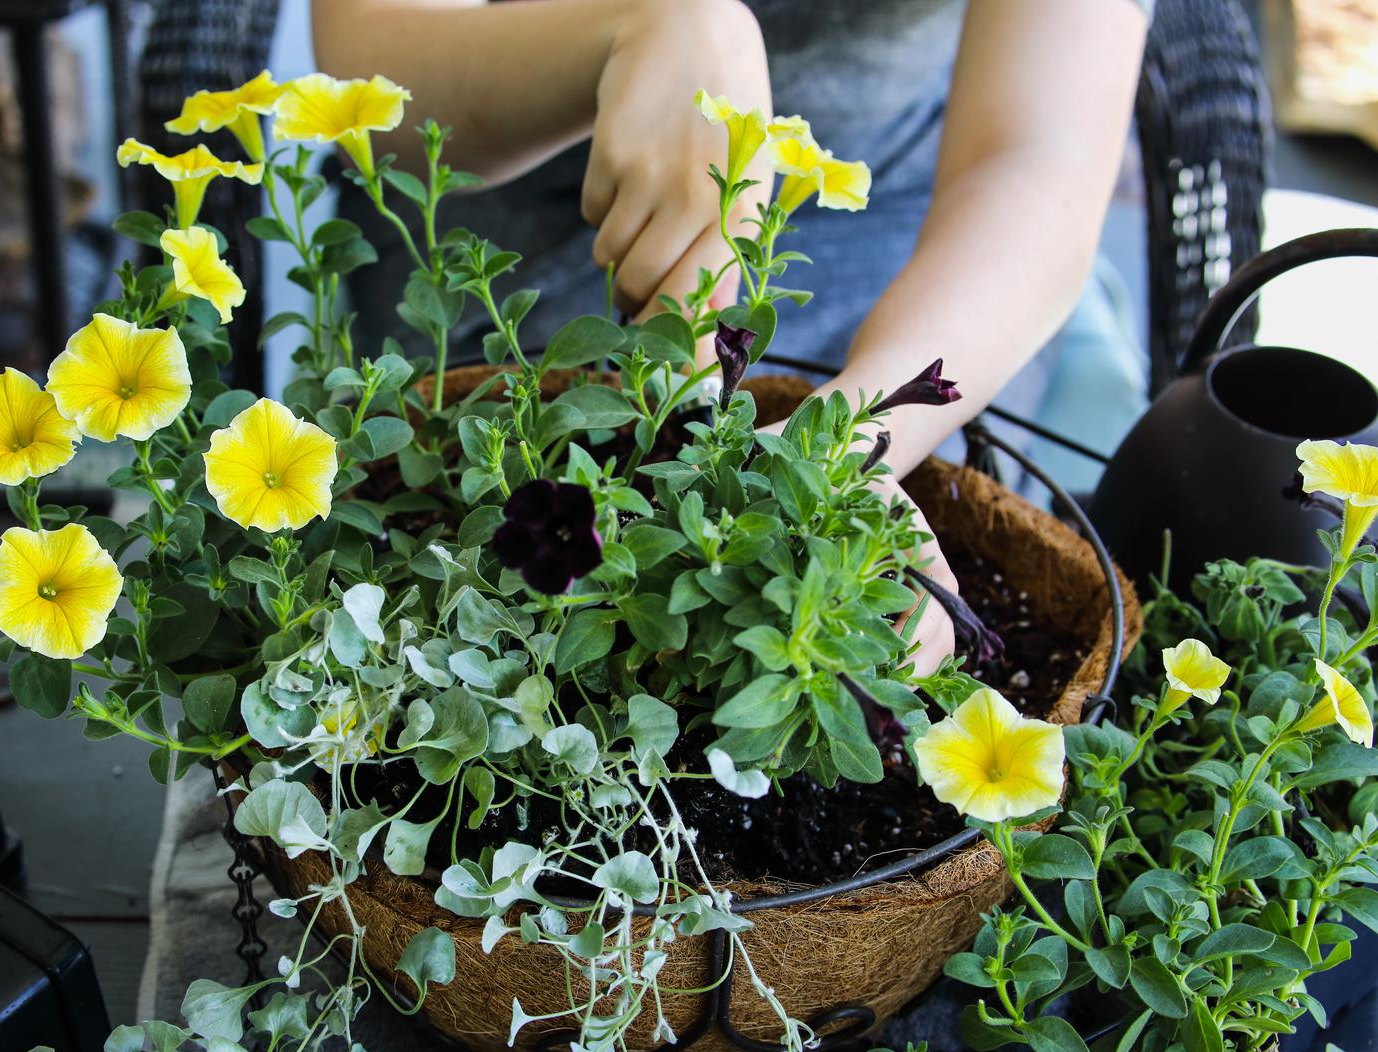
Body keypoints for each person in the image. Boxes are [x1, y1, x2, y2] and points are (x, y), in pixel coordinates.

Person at [313, 0, 1151, 671]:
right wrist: (639, 27)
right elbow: (366, 67)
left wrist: (847, 443)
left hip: (912, 257)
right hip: (518, 251)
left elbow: (1036, 158)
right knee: (485, 578)